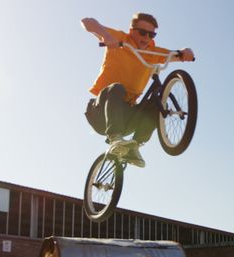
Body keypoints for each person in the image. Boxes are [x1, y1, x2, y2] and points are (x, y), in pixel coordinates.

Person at [81, 13, 194, 168]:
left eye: (151, 34)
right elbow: (87, 22)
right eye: (142, 32)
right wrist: (107, 36)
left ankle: (134, 146)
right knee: (117, 88)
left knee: (159, 104)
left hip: (126, 117)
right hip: (100, 112)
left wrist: (185, 52)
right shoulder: (120, 39)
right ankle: (115, 138)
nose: (146, 37)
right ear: (131, 30)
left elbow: (178, 55)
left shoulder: (153, 52)